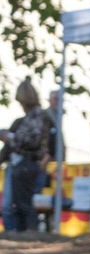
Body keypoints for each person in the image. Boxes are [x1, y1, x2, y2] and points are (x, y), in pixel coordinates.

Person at [0, 80, 53, 231]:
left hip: (28, 164)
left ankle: (28, 234)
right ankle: (18, 233)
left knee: (24, 204)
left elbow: (33, 141)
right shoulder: (25, 119)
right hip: (19, 164)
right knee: (15, 204)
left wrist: (10, 137)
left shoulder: (38, 117)